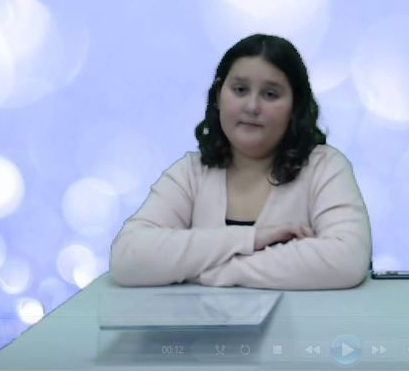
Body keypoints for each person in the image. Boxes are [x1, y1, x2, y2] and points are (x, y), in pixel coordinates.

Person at [110, 34, 372, 289]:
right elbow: (127, 258)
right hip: (202, 333)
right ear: (218, 96)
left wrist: (216, 272)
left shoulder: (325, 167)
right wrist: (252, 239)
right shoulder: (190, 172)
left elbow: (346, 260)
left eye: (270, 94)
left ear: (295, 107)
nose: (252, 106)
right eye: (240, 90)